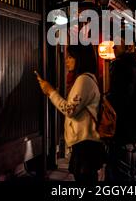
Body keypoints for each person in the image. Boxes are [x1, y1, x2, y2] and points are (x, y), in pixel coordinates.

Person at [36, 45, 104, 183]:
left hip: (86, 144)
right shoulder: (85, 78)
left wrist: (51, 92)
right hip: (85, 143)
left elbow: (69, 110)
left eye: (70, 57)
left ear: (81, 59)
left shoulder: (84, 80)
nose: (66, 61)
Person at [105, 36, 136, 181]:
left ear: (129, 47)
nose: (113, 47)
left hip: (122, 128)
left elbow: (120, 99)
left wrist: (107, 99)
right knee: (130, 171)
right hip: (135, 129)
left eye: (118, 44)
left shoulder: (122, 66)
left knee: (120, 173)